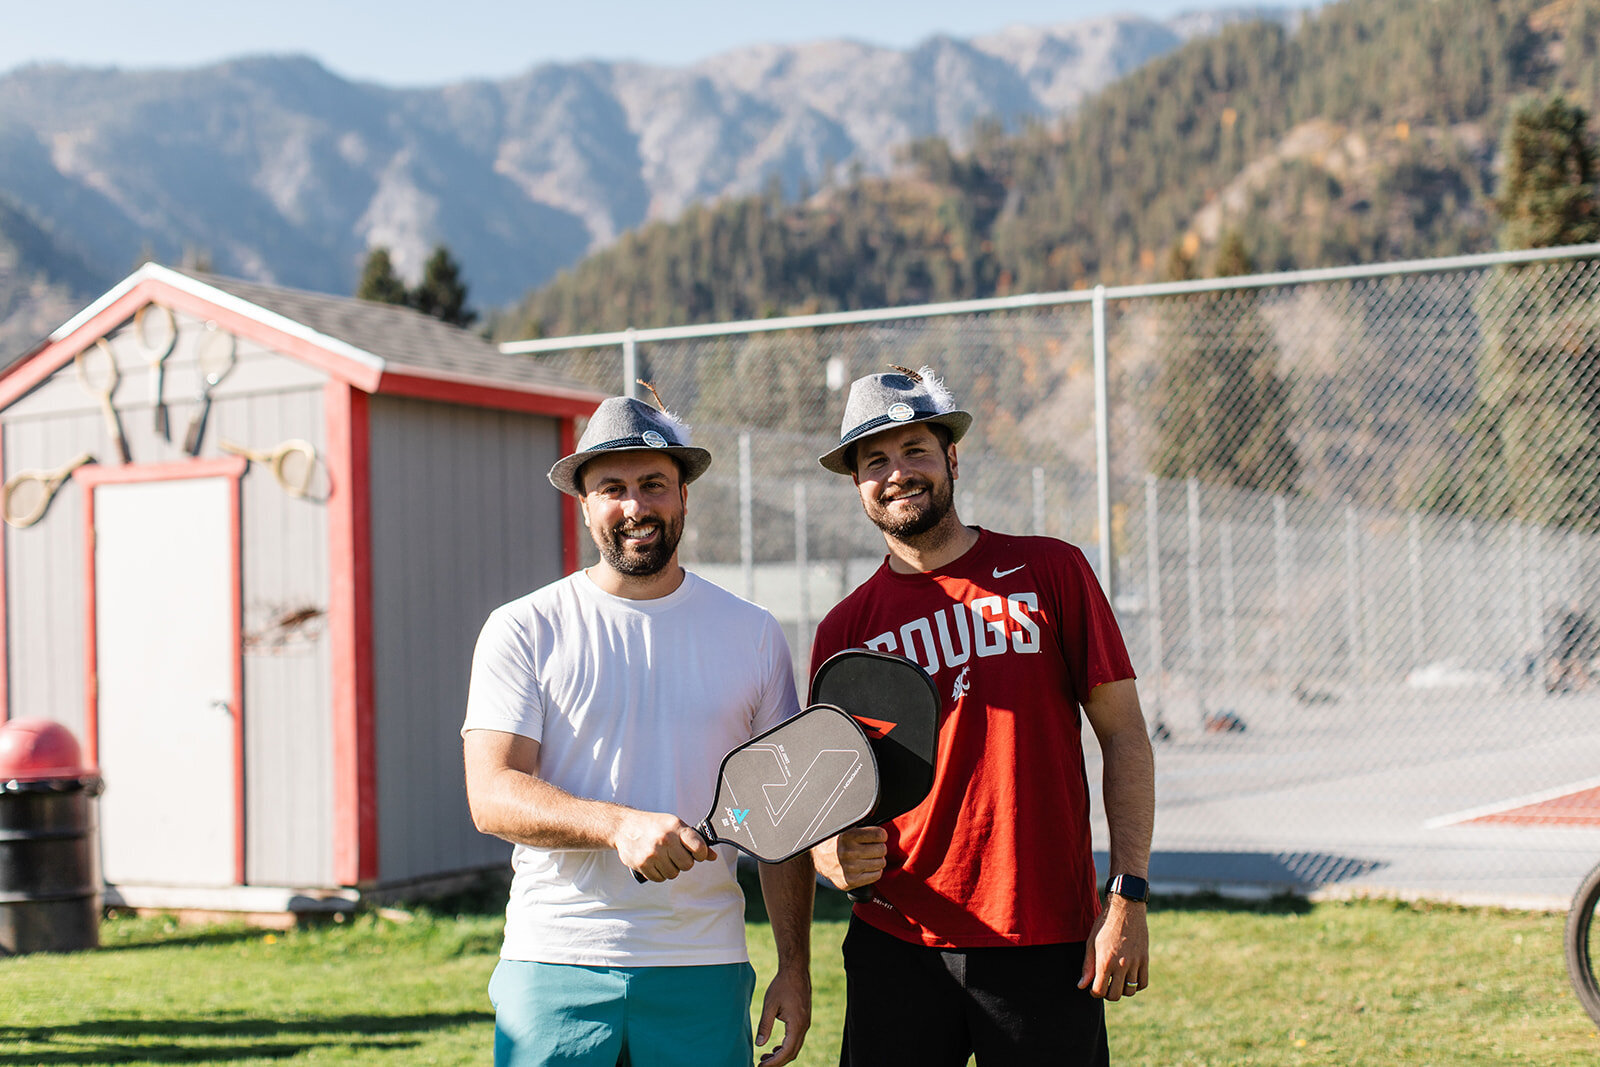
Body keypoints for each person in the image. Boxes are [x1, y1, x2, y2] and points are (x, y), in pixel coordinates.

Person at [809, 365, 1156, 1066]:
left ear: (953, 458)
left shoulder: (1052, 571)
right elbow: (823, 804)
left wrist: (1127, 895)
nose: (897, 473)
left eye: (915, 450)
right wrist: (828, 856)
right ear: (856, 484)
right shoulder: (845, 627)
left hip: (1044, 936)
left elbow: (1124, 736)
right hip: (896, 943)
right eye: (874, 460)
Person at [462, 392, 814, 1067]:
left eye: (653, 483)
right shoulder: (525, 627)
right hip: (556, 961)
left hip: (703, 966)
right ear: (585, 503)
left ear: (683, 494)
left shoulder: (753, 633)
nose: (635, 505)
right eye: (612, 487)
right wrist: (618, 825)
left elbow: (781, 821)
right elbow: (492, 792)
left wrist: (794, 966)